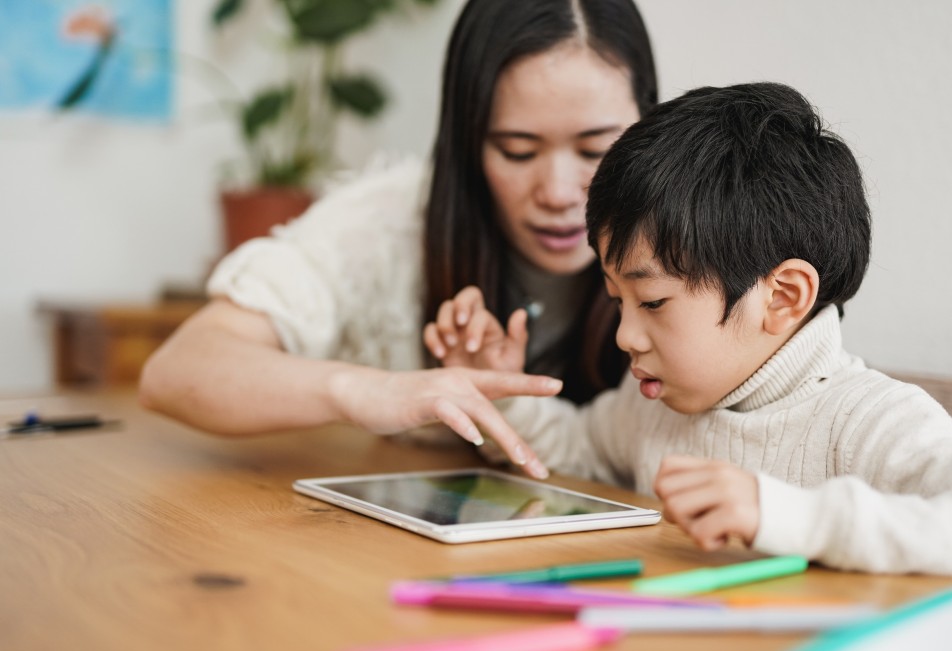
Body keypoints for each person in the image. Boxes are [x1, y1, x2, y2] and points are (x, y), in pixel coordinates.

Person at [426, 82, 952, 590]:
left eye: (653, 301)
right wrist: (497, 394)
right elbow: (576, 453)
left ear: (783, 297)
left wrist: (795, 517)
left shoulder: (864, 420)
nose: (627, 335)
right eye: (617, 301)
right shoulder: (653, 407)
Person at [139, 0, 658, 479]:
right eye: (518, 151)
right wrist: (366, 389)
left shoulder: (686, 231)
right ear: (466, 144)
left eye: (596, 149)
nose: (558, 193)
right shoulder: (383, 223)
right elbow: (176, 372)